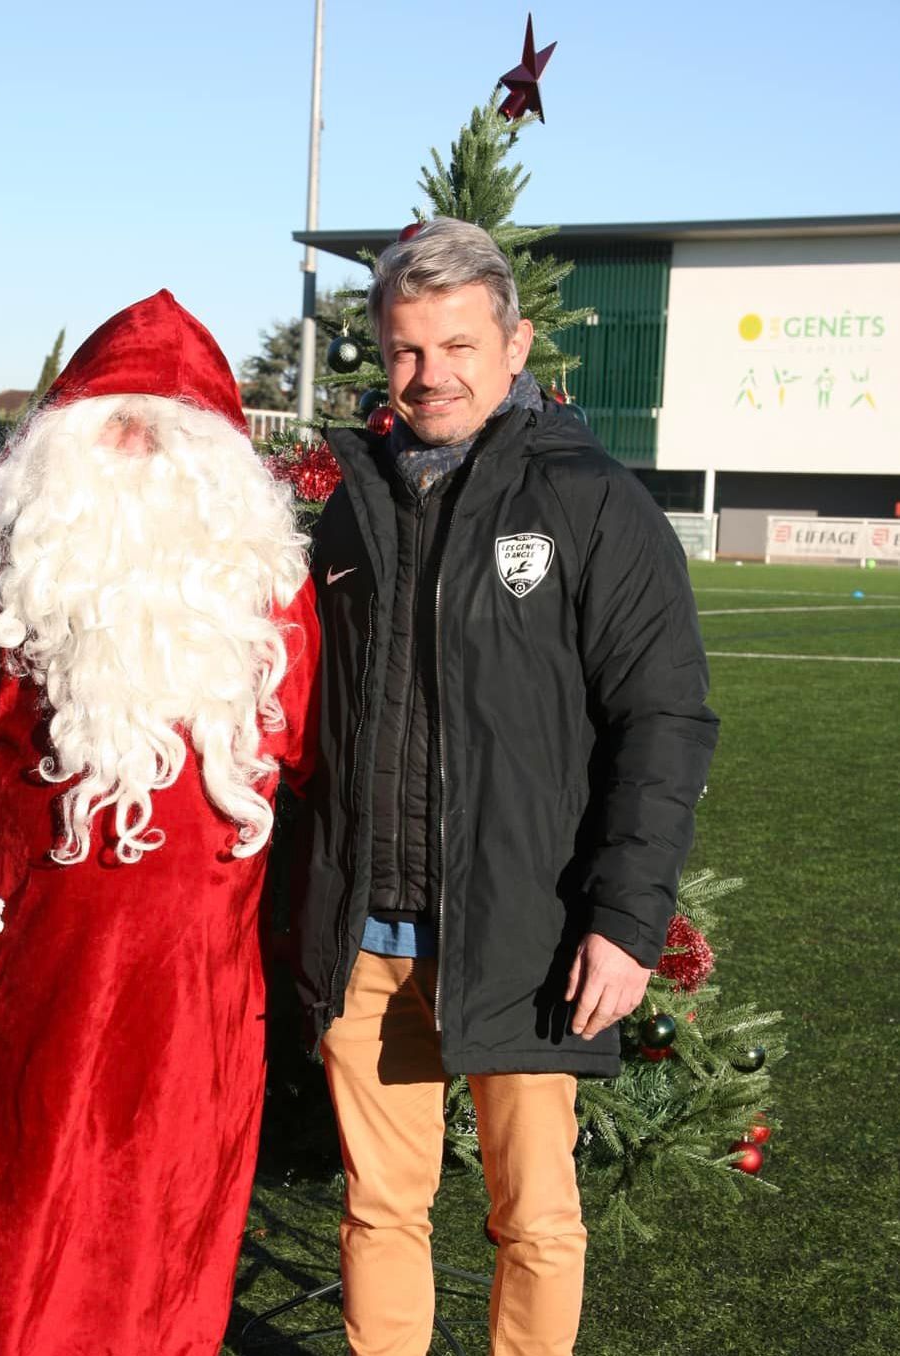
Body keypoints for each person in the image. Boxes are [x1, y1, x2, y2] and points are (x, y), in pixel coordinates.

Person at [0, 291, 320, 1356]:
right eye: (115, 422)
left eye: (165, 431)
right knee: (3, 1254)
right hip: (27, 991)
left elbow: (315, 792)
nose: (136, 446)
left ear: (215, 465)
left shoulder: (268, 602)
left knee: (171, 1250)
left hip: (202, 1008)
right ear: (58, 448)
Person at [290, 218, 718, 1356]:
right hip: (367, 943)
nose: (429, 376)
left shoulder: (588, 502)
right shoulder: (353, 504)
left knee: (533, 1219)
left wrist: (624, 925)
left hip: (523, 936)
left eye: (457, 346)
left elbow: (663, 719)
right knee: (381, 1208)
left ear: (515, 343)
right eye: (405, 351)